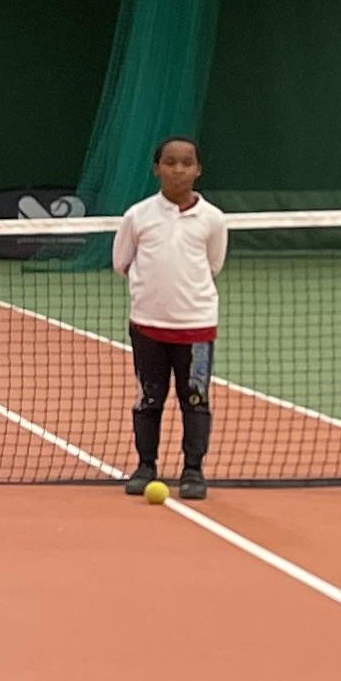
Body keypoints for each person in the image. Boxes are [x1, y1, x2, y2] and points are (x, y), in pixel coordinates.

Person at [113, 135, 227, 503]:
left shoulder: (213, 219)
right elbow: (121, 262)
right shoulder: (137, 216)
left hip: (196, 328)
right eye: (170, 162)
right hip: (147, 327)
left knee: (195, 398)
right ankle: (145, 466)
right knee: (149, 398)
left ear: (198, 170)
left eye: (186, 163)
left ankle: (193, 470)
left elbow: (213, 264)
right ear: (156, 168)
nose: (178, 169)